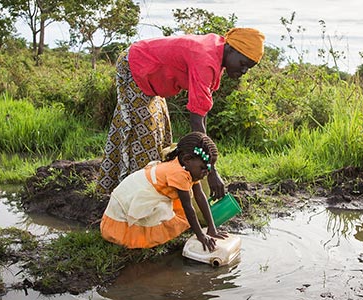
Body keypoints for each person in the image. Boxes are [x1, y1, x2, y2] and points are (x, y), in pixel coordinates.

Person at [98, 28, 266, 199]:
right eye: (243, 63)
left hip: (149, 75)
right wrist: (211, 170)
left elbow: (202, 111)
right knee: (143, 138)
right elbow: (196, 122)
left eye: (248, 68)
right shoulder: (206, 59)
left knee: (162, 138)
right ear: (231, 48)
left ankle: (123, 189)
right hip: (136, 65)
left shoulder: (217, 52)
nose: (244, 71)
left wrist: (207, 163)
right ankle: (130, 196)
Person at [100, 131, 228, 251]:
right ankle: (125, 234)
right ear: (187, 159)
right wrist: (201, 236)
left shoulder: (188, 168)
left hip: (147, 192)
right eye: (203, 168)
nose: (206, 173)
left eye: (209, 169)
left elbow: (200, 196)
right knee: (178, 213)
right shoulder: (179, 173)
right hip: (130, 198)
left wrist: (212, 229)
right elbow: (189, 208)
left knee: (177, 212)